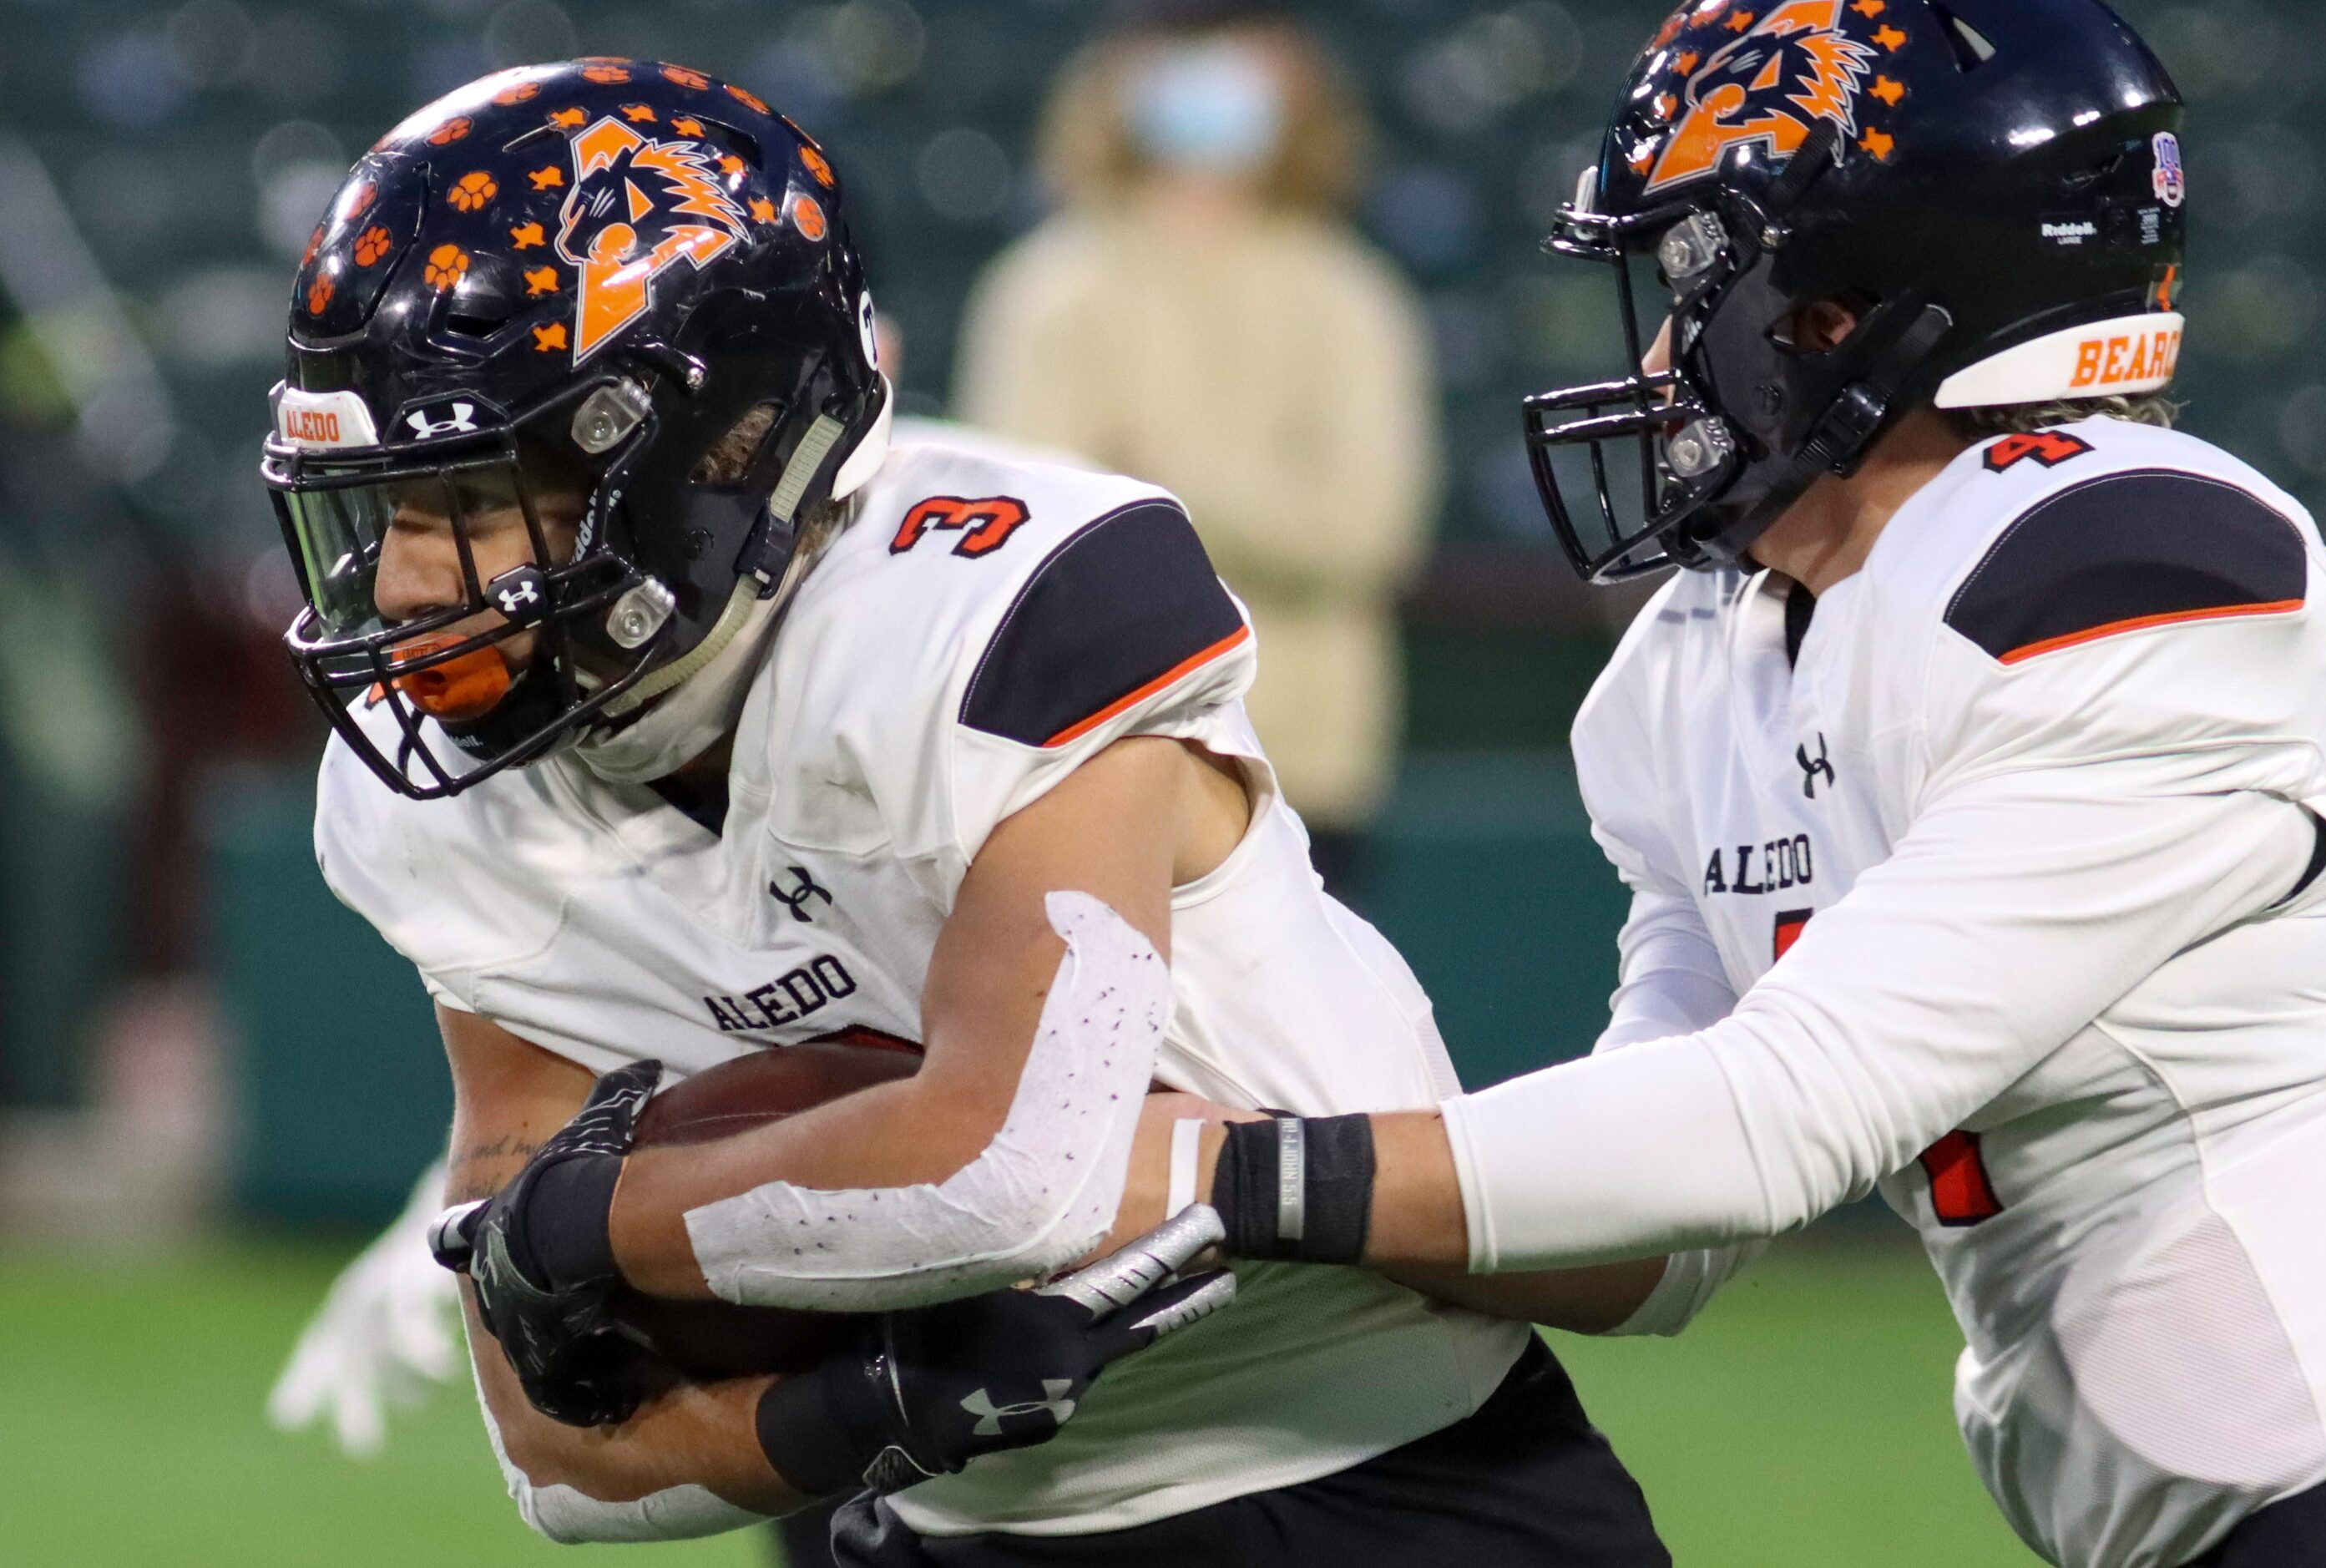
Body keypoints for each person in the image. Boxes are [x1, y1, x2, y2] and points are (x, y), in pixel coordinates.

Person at [266, 58, 1673, 1565]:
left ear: (710, 450)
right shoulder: (437, 791)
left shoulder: (991, 599)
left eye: (479, 503)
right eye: (387, 515)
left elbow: (1008, 1168)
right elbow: (562, 1460)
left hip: (1379, 1480)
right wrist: (857, 1417)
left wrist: (596, 1222)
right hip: (941, 1521)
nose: (410, 589)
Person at [1158, 3, 2326, 1565]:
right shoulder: (1704, 647)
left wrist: (1219, 1171)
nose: (1657, 357)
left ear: (1840, 307)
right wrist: (1198, 1203)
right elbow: (1669, 1234)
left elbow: (1771, 1121)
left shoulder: (2133, 559)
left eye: (1687, 289)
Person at [954, 0, 1437, 903]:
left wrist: (1154, 476)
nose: (1212, 72)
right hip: (1091, 756)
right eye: (1181, 47)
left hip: (1306, 771)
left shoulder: (1350, 295)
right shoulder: (1048, 290)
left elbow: (1367, 531)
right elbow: (1024, 549)